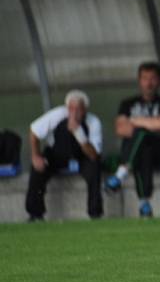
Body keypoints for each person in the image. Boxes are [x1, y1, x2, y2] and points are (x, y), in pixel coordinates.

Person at [105, 62, 160, 218]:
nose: (149, 83)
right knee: (143, 150)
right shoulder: (127, 104)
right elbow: (121, 129)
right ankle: (144, 204)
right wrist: (150, 123)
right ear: (139, 80)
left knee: (141, 135)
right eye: (145, 78)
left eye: (152, 79)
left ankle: (121, 174)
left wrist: (135, 121)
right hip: (141, 151)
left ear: (159, 81)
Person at [25, 90, 103, 220]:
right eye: (71, 108)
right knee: (37, 169)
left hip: (82, 155)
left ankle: (95, 213)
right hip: (57, 154)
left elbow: (94, 155)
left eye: (79, 108)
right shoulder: (58, 114)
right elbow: (34, 131)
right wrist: (35, 156)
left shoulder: (93, 122)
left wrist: (78, 132)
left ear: (85, 110)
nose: (74, 112)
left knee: (94, 169)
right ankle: (35, 214)